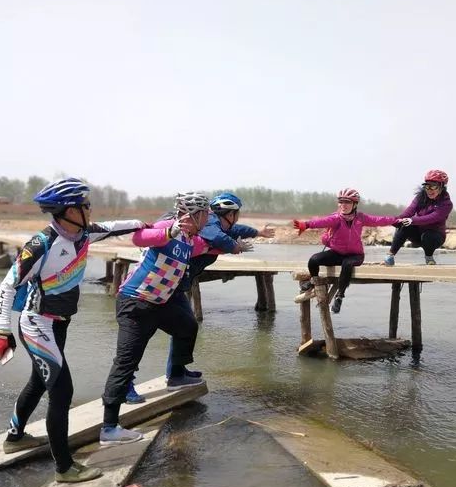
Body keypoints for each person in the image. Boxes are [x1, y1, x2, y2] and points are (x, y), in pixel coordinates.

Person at [0, 177, 145, 483]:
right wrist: (1, 331)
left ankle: (15, 437)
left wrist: (143, 224)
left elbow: (115, 226)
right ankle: (64, 467)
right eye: (84, 205)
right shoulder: (41, 245)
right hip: (37, 323)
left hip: (58, 325)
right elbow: (8, 285)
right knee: (62, 392)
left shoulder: (84, 234)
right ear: (67, 211)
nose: (90, 209)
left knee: (39, 382)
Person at [100, 192, 210, 446]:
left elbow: (208, 246)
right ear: (195, 214)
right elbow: (138, 237)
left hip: (159, 304)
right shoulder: (168, 228)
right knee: (126, 362)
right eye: (206, 214)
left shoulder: (191, 240)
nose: (208, 218)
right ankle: (109, 427)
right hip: (135, 303)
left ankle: (177, 376)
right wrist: (168, 232)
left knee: (187, 326)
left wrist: (235, 244)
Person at [161, 192, 275, 380]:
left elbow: (237, 230)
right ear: (230, 215)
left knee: (186, 327)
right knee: (176, 328)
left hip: (178, 283)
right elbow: (217, 237)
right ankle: (173, 374)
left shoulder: (220, 224)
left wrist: (258, 233)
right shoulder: (211, 223)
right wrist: (234, 247)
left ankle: (176, 371)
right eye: (236, 214)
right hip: (168, 283)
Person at [292, 188, 398, 313]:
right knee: (314, 260)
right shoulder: (336, 218)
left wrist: (396, 220)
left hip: (355, 255)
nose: (343, 205)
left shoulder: (361, 218)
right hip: (337, 253)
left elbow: (378, 220)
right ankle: (314, 281)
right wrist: (306, 225)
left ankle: (339, 296)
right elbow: (322, 221)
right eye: (341, 202)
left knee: (347, 264)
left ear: (354, 204)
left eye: (347, 202)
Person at [384, 169, 453, 266]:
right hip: (418, 234)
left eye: (433, 187)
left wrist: (412, 220)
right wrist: (395, 220)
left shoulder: (446, 204)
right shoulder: (420, 197)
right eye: (427, 187)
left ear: (441, 187)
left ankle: (429, 257)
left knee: (428, 236)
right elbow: (409, 211)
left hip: (435, 236)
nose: (430, 190)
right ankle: (390, 256)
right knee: (404, 225)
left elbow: (432, 218)